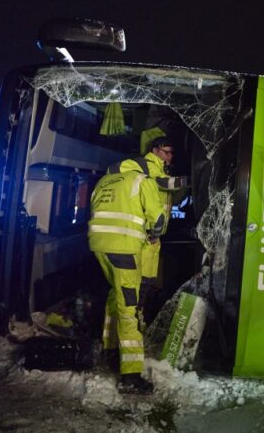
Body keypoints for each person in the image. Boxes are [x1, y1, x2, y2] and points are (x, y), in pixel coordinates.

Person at [88, 167, 165, 394]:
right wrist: (154, 234)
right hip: (125, 250)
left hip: (99, 246)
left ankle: (110, 349)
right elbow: (158, 218)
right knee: (129, 309)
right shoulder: (141, 180)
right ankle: (130, 375)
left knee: (115, 295)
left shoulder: (105, 180)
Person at [108, 136, 188, 313]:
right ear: (155, 150)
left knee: (146, 285)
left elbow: (169, 199)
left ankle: (138, 319)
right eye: (167, 152)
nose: (170, 156)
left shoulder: (159, 169)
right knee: (135, 288)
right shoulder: (148, 165)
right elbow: (164, 183)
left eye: (171, 153)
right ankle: (130, 323)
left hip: (153, 236)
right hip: (144, 234)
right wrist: (188, 180)